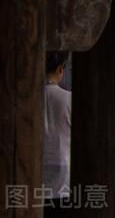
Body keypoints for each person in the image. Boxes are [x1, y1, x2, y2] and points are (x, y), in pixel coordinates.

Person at [43, 51, 71, 215]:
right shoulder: (69, 99)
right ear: (61, 69)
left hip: (32, 165)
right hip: (62, 167)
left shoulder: (24, 98)